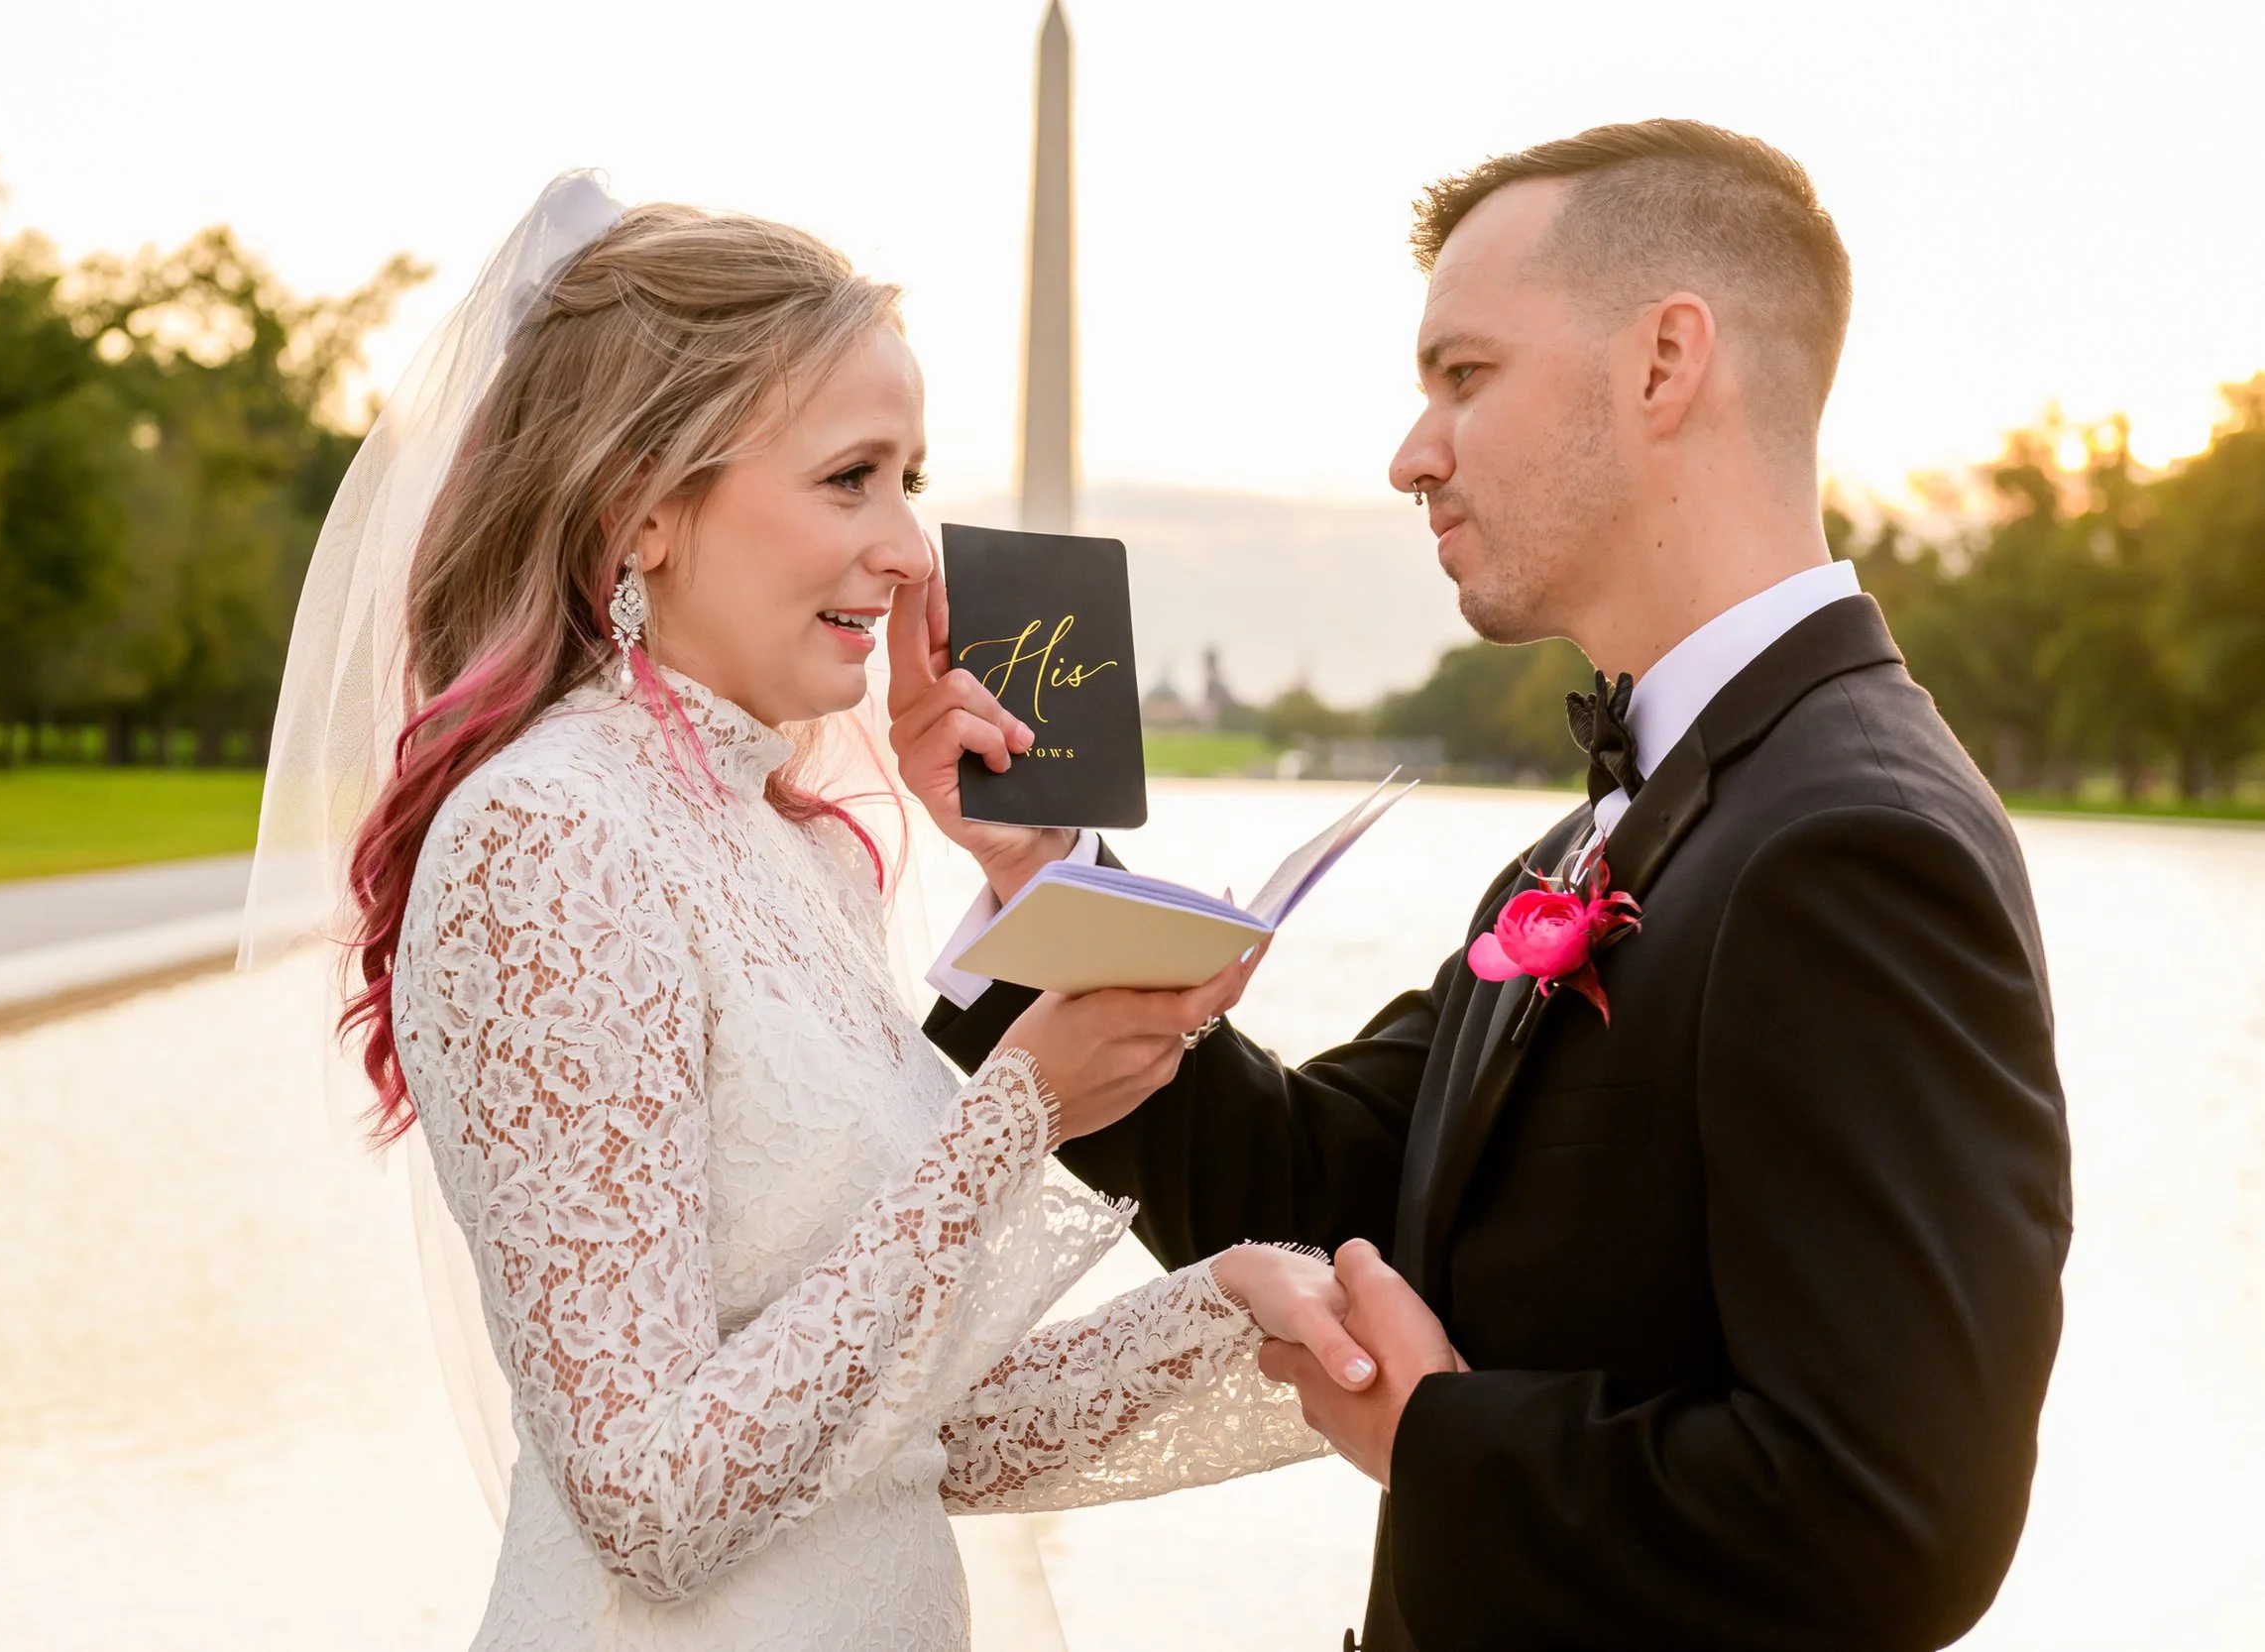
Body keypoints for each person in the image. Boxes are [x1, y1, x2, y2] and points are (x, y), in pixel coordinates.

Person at [903, 120, 2074, 1651]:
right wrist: (1044, 873)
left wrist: (1436, 1441)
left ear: (1665, 364)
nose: (1413, 452)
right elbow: (1326, 1192)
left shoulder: (1853, 846)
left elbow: (1889, 1517)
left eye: (1465, 374)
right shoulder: (1609, 833)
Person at [255, 173, 1380, 1652]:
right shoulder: (548, 834)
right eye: (852, 477)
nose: (913, 547)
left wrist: (1236, 1308)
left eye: (910, 476)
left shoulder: (802, 855)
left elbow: (898, 1425)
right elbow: (651, 1500)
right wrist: (1018, 1110)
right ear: (644, 509)